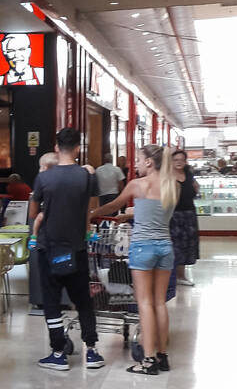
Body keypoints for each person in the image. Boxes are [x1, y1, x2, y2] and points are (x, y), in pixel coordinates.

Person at [93, 145, 177, 376]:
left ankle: (148, 360)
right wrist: (131, 215)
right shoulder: (172, 186)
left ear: (150, 162)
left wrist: (89, 214)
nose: (136, 163)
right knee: (159, 303)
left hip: (143, 248)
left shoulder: (137, 185)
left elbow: (112, 205)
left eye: (139, 159)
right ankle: (162, 355)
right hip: (165, 247)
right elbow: (154, 212)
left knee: (145, 304)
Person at [28, 127, 105, 372]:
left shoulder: (44, 178)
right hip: (77, 249)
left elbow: (33, 213)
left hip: (48, 248)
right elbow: (91, 210)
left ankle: (58, 353)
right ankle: (91, 351)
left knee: (51, 301)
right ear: (78, 148)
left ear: (56, 147)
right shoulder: (87, 177)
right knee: (83, 300)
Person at [169, 149, 200, 286]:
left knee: (187, 244)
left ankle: (181, 276)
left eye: (181, 160)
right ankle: (173, 276)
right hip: (173, 215)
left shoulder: (189, 174)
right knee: (175, 245)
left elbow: (195, 188)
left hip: (189, 214)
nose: (179, 162)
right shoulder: (168, 176)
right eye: (176, 160)